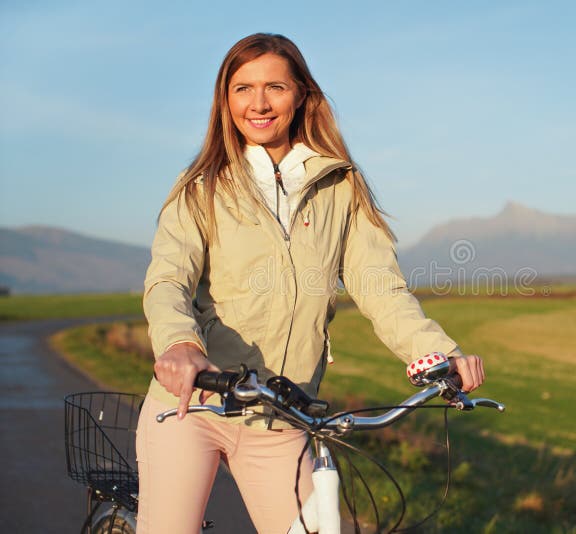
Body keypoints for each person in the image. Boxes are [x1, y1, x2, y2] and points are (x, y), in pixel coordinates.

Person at [137, 32, 485, 534]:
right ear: (224, 98)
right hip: (194, 406)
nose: (258, 103)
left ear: (302, 94)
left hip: (284, 415)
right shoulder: (202, 187)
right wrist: (179, 344)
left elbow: (380, 288)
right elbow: (168, 279)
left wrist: (437, 354)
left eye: (275, 87)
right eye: (242, 88)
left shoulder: (341, 185)